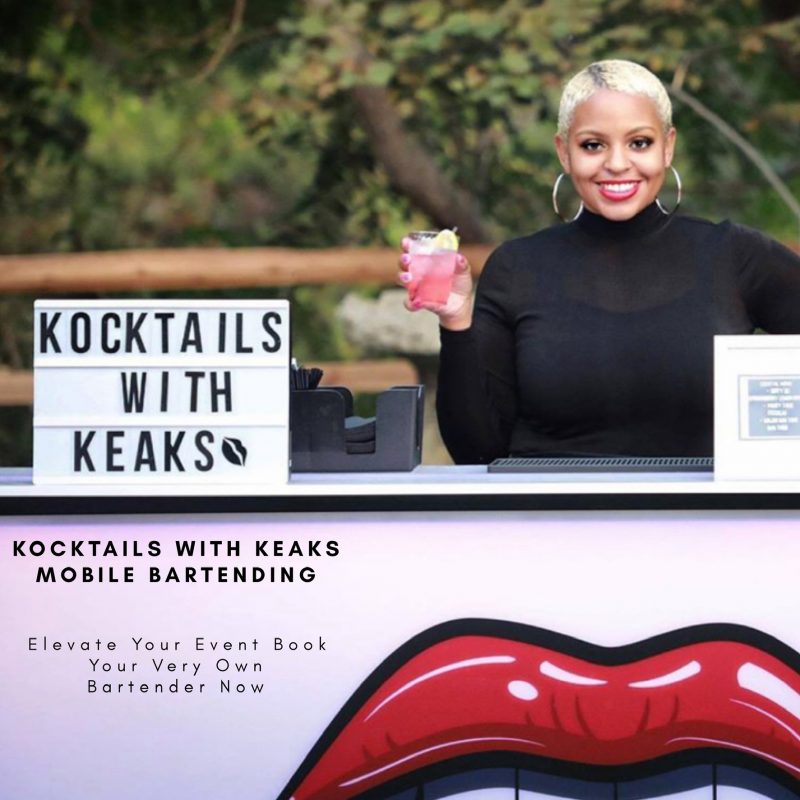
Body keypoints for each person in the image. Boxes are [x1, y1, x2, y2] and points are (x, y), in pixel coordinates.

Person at [398, 59, 800, 464]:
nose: (617, 163)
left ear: (668, 147)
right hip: (546, 503)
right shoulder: (517, 268)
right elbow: (476, 452)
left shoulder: (733, 255)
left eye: (639, 142)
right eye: (593, 145)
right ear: (564, 152)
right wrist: (456, 322)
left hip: (705, 505)